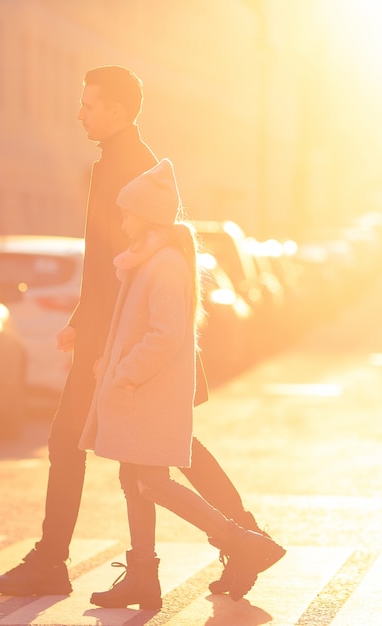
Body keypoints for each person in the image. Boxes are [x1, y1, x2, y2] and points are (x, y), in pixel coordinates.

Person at [0, 65, 282, 599]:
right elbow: (108, 259)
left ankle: (60, 561)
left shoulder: (126, 168)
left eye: (90, 104)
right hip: (110, 328)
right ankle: (236, 541)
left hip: (121, 335)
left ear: (119, 111)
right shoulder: (125, 161)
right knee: (159, 449)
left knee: (96, 446)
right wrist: (82, 321)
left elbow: (114, 261)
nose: (80, 112)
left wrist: (97, 337)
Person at [79, 158, 285, 609]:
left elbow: (167, 333)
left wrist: (124, 372)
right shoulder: (147, 260)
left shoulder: (164, 263)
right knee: (135, 480)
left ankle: (240, 540)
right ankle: (142, 576)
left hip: (146, 393)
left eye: (128, 211)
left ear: (148, 216)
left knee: (150, 482)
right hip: (139, 393)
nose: (122, 219)